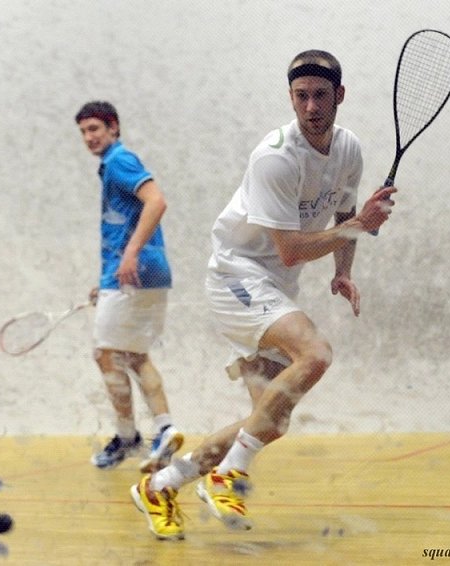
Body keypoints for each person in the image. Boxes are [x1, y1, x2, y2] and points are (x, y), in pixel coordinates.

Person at [130, 50, 396, 540]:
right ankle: (229, 474)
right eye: (301, 96)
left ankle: (160, 486)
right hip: (237, 276)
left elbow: (343, 212)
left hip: (272, 285)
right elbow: (292, 250)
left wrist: (343, 271)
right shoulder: (275, 156)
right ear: (291, 98)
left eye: (321, 95)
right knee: (314, 353)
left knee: (270, 419)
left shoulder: (349, 149)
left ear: (340, 96)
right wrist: (362, 226)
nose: (311, 106)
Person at [75, 101, 183, 473]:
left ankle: (126, 436)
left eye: (95, 129)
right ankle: (166, 428)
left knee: (106, 354)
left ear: (113, 128)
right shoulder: (112, 166)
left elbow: (157, 200)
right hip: (147, 274)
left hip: (132, 274)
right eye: (84, 132)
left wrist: (129, 257)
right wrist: (106, 278)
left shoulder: (121, 160)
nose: (89, 137)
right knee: (134, 356)